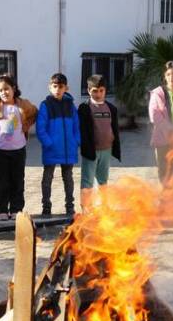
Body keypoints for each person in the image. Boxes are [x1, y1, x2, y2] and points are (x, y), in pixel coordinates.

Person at [0, 74, 36, 220]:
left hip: (18, 150)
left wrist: (25, 126)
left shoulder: (23, 105)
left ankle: (16, 209)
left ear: (13, 88)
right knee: (1, 181)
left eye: (6, 89)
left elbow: (34, 113)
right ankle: (1, 210)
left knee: (18, 181)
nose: (4, 92)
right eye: (0, 90)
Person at [35, 73, 80, 217]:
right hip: (52, 150)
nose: (57, 89)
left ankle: (69, 206)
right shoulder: (45, 105)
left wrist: (76, 141)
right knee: (47, 178)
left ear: (66, 88)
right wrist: (48, 143)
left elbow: (76, 126)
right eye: (55, 86)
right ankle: (46, 206)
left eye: (61, 87)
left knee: (68, 178)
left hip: (68, 150)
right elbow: (40, 128)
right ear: (50, 87)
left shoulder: (70, 105)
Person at [78, 74, 121, 207]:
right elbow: (82, 131)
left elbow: (114, 128)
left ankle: (104, 206)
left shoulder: (111, 109)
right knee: (87, 181)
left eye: (101, 90)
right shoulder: (84, 108)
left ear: (105, 91)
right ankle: (86, 208)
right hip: (91, 151)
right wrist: (85, 147)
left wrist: (114, 145)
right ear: (88, 90)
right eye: (95, 91)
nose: (98, 94)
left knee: (103, 180)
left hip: (106, 150)